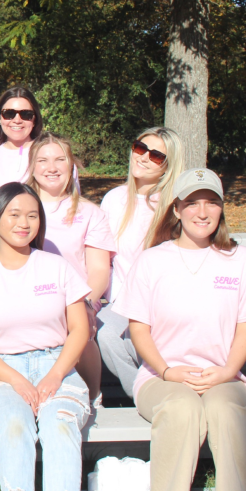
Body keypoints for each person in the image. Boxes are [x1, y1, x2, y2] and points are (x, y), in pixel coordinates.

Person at [113, 168, 246, 491]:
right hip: (161, 377)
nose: (202, 212)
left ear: (221, 208)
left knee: (227, 412)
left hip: (223, 376)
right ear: (176, 209)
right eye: (192, 203)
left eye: (211, 202)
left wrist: (227, 371)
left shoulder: (241, 259)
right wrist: (167, 371)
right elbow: (139, 328)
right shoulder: (151, 261)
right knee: (181, 408)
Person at [0, 182, 92, 491]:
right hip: (1, 372)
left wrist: (55, 375)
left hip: (57, 365)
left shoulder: (56, 266)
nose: (24, 223)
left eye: (32, 216)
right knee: (15, 422)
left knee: (59, 424)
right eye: (15, 214)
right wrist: (17, 380)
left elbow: (80, 330)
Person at [25, 132, 116, 406]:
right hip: (28, 297)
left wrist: (86, 303)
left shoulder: (90, 213)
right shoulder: (18, 207)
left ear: (71, 165)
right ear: (32, 166)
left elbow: (99, 270)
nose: (51, 168)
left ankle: (92, 397)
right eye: (43, 160)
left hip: (75, 299)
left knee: (78, 324)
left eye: (60, 160)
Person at [96, 128, 186, 397]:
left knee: (139, 339)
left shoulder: (175, 206)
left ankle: (160, 392)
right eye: (140, 148)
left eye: (156, 155)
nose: (144, 157)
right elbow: (103, 259)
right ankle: (146, 394)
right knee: (105, 334)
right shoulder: (114, 199)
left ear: (168, 165)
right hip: (120, 303)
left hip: (162, 305)